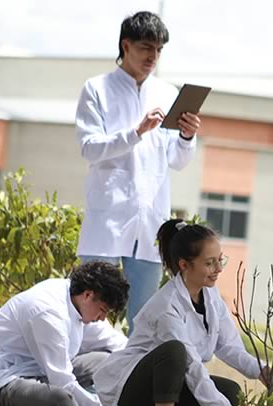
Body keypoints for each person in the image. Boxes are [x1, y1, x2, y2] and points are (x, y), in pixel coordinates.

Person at [93, 219, 265, 406]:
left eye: (220, 260)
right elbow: (191, 366)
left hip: (170, 379)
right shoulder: (167, 306)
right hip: (133, 384)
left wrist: (261, 371)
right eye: (209, 263)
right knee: (176, 351)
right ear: (184, 265)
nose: (218, 268)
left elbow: (228, 345)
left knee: (230, 391)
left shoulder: (211, 295)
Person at [75, 11, 201, 332]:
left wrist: (187, 135)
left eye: (158, 50)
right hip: (107, 221)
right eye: (146, 48)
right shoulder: (96, 89)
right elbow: (90, 147)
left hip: (149, 227)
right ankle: (83, 381)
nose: (153, 57)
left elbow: (178, 160)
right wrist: (136, 132)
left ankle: (133, 383)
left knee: (144, 321)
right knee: (88, 315)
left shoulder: (168, 94)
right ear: (125, 45)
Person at [0, 261, 145, 406]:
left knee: (108, 361)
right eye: (103, 310)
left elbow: (114, 342)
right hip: (0, 381)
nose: (102, 318)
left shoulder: (76, 298)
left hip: (40, 371)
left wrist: (146, 365)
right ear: (88, 295)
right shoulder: (48, 313)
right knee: (61, 401)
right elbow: (63, 383)